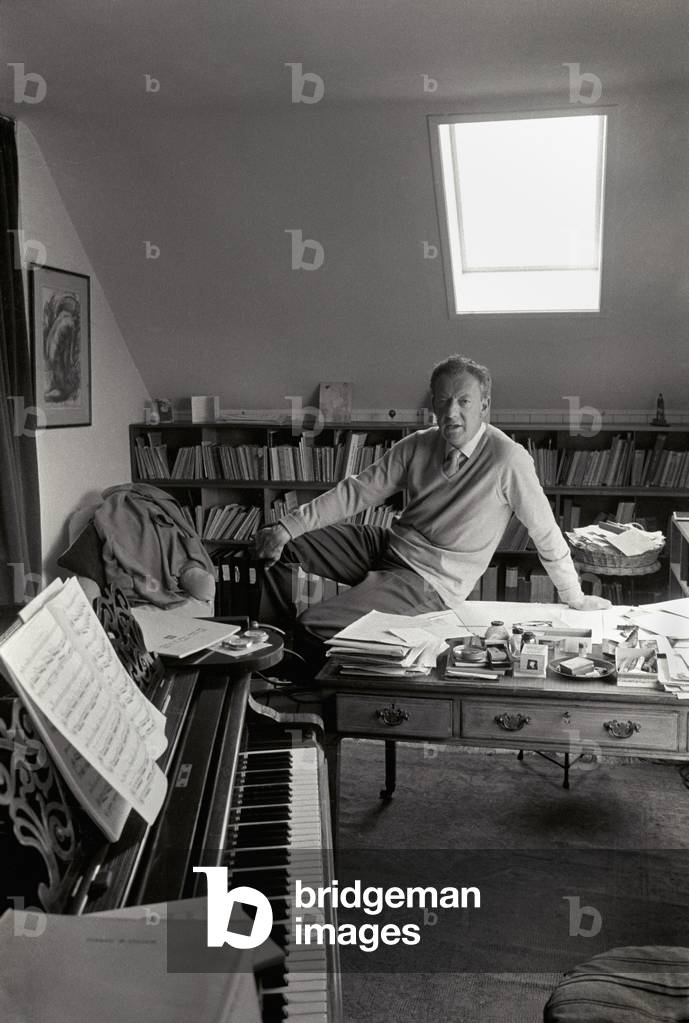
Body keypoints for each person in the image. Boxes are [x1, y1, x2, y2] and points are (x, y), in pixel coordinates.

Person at [255, 354, 609, 670]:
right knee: (278, 542)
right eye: (443, 401)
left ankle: (303, 681)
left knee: (314, 625)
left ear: (484, 406)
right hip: (387, 546)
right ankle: (266, 648)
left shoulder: (508, 459)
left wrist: (573, 597)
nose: (451, 412)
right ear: (433, 406)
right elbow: (358, 492)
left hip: (428, 580)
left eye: (464, 401)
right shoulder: (419, 444)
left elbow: (544, 531)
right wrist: (289, 526)